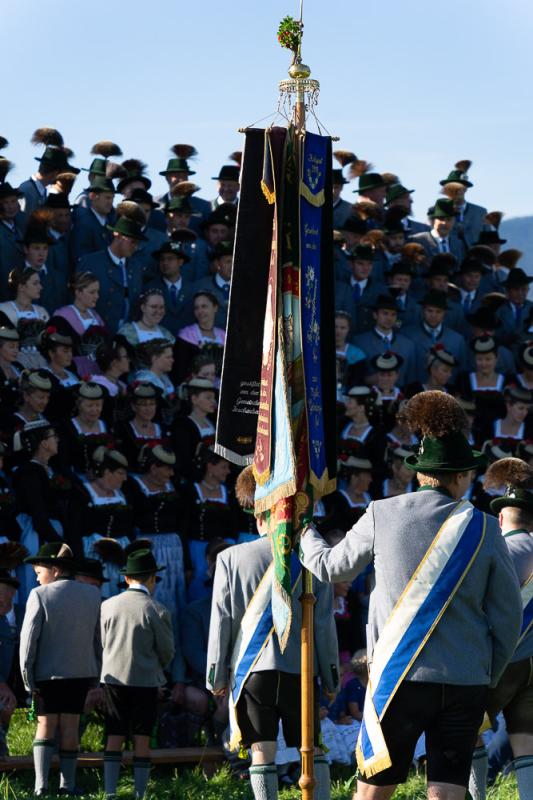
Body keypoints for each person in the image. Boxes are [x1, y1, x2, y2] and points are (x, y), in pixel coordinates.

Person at [300, 391, 522, 800]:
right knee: (447, 792)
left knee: (373, 792)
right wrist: (487, 673)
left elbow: (332, 568)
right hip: (465, 677)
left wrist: (303, 531)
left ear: (421, 474)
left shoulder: (381, 512)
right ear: (460, 477)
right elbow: (508, 616)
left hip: (398, 674)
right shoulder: (487, 528)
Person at [206, 467, 339, 800]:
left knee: (261, 752)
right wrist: (331, 676)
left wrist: (215, 675)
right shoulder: (310, 557)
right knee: (313, 748)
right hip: (300, 668)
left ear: (258, 515)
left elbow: (222, 621)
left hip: (252, 672)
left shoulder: (229, 558)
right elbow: (324, 623)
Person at [467, 457, 533, 800]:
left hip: (501, 662)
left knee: (468, 729)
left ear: (502, 517)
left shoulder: (497, 550)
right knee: (526, 745)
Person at [19, 541, 101, 797]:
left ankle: (41, 785)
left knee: (45, 725)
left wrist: (27, 678)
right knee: (70, 727)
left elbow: (28, 641)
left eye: (39, 571)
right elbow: (97, 639)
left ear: (55, 570)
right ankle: (68, 784)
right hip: (80, 672)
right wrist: (96, 673)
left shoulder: (39, 595)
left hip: (47, 674)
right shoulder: (92, 595)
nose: (37, 577)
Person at [100, 548, 174, 800]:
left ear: (126, 578)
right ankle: (139, 794)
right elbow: (167, 651)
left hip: (113, 678)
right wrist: (155, 666)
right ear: (152, 578)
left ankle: (110, 792)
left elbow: (102, 643)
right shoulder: (157, 609)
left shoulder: (107, 606)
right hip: (145, 681)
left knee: (114, 734)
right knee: (142, 737)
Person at [125, 444, 186, 619]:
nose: (171, 474)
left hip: (173, 547)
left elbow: (181, 523)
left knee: (173, 593)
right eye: (167, 469)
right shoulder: (135, 486)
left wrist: (188, 563)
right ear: (153, 468)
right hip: (148, 545)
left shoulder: (172, 486)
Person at [76, 216, 147, 334]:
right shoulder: (91, 263)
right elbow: (78, 300)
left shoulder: (136, 267)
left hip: (128, 334)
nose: (135, 247)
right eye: (132, 242)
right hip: (97, 330)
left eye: (137, 243)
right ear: (118, 237)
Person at [145, 238, 196, 334]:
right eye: (162, 259)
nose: (165, 263)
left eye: (170, 259)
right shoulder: (150, 288)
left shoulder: (193, 289)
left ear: (180, 262)